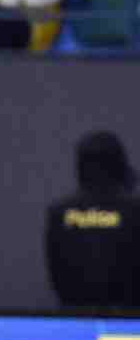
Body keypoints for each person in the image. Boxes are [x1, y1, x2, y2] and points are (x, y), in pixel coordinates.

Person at [46, 131, 140, 307]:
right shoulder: (134, 211)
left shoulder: (60, 213)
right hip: (129, 313)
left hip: (76, 311)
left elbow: (57, 272)